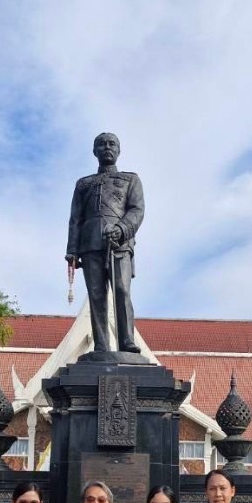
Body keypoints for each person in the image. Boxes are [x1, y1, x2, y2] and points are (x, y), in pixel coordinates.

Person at [64, 131, 144, 354]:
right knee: (96, 295)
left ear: (118, 150)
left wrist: (121, 229)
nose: (107, 147)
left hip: (120, 244)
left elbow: (137, 210)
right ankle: (101, 344)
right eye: (102, 144)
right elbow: (75, 218)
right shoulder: (83, 184)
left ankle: (126, 340)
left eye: (112, 144)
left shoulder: (131, 180)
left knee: (121, 290)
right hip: (90, 244)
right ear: (94, 151)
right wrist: (72, 250)